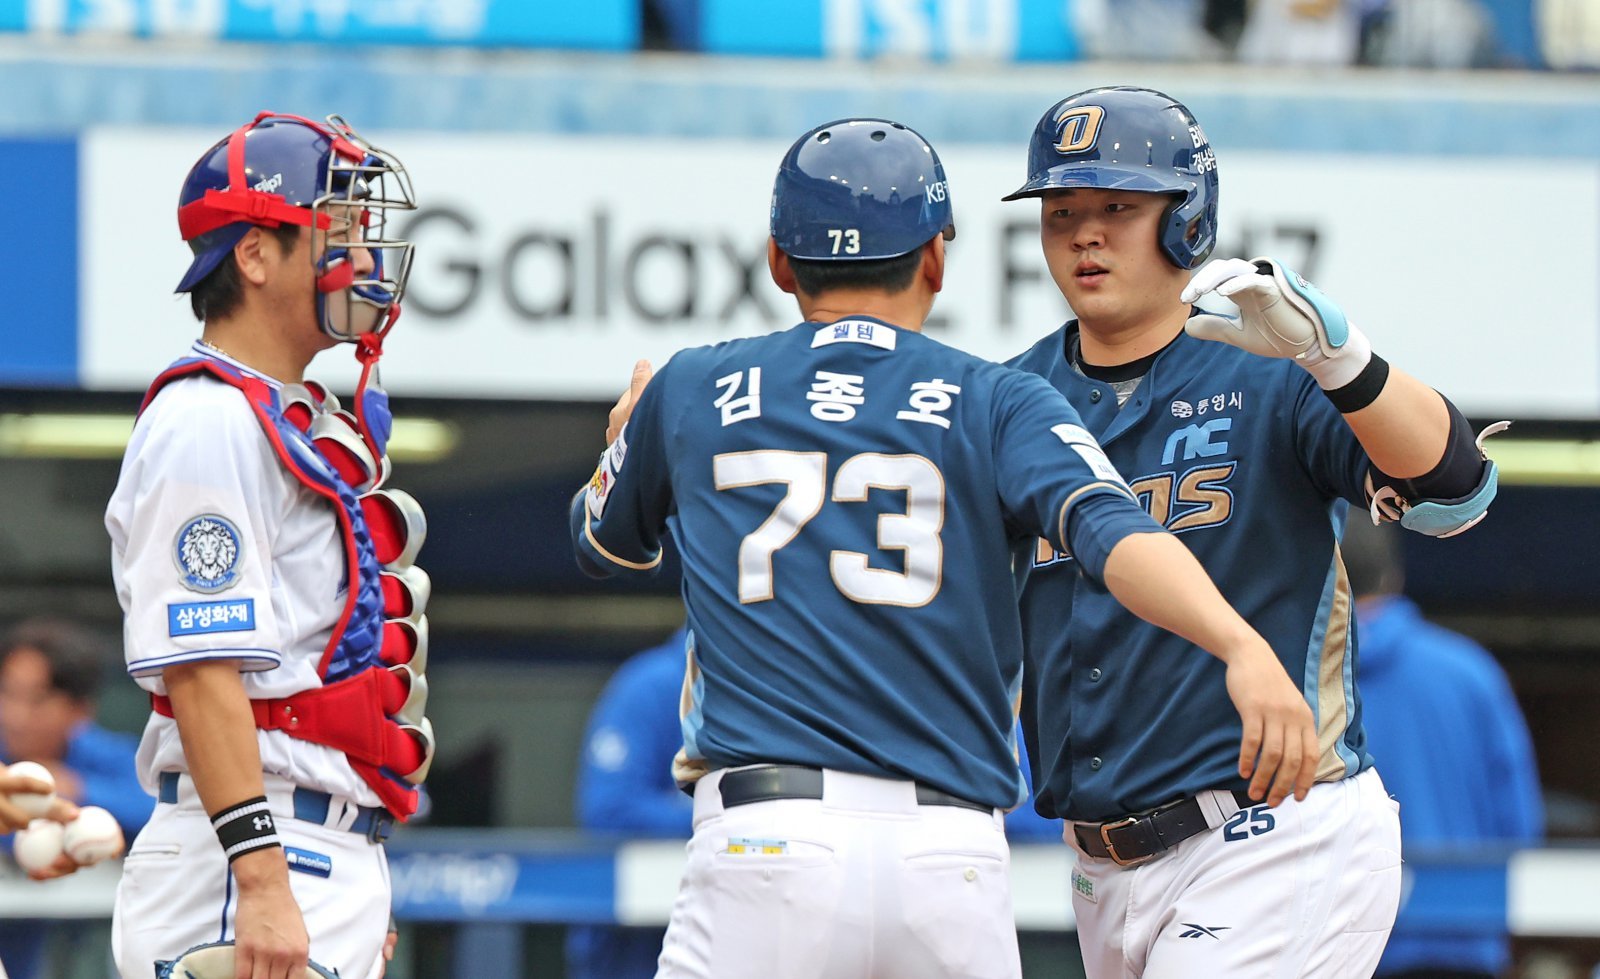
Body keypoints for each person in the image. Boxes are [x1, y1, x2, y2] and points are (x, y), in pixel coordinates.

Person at [573, 116, 1317, 979]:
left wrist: (619, 447)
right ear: (936, 256)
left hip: (762, 836)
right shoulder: (1002, 398)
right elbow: (1114, 533)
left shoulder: (690, 385)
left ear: (778, 260)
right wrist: (1238, 644)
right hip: (947, 855)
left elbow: (602, 542)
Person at [1002, 85, 1504, 977]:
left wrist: (1338, 359)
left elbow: (1454, 494)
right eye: (1063, 209)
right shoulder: (1013, 396)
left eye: (1119, 206)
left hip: (1270, 832)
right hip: (1099, 863)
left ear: (1186, 218)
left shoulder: (1265, 361)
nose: (1084, 233)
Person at [104, 111, 433, 979]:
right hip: (251, 850)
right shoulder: (206, 418)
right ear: (253, 255)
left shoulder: (284, 410)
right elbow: (202, 664)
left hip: (312, 845)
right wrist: (263, 880)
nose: (362, 261)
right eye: (335, 235)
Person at [565, 626, 1063, 979]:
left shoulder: (936, 679)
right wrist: (745, 815)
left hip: (858, 911)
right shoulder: (654, 682)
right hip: (650, 943)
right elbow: (611, 811)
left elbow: (1037, 807)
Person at [1342, 517, 1543, 979]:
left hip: (1343, 946)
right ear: (1395, 575)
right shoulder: (1470, 672)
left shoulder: (1295, 681)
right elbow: (1519, 822)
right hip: (1463, 944)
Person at [0, 619, 151, 979]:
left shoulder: (104, 756)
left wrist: (75, 790)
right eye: (8, 693)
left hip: (89, 951)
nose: (16, 715)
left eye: (37, 700)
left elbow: (151, 807)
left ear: (80, 709)